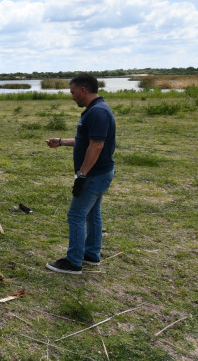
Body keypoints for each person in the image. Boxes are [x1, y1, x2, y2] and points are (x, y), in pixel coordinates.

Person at [45, 73, 116, 274]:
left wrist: (82, 175)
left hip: (94, 175)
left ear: (83, 90)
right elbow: (87, 141)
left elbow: (97, 145)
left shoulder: (98, 112)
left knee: (75, 215)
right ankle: (91, 255)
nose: (72, 96)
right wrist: (61, 141)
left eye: (73, 92)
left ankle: (73, 262)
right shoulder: (95, 110)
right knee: (92, 214)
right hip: (98, 174)